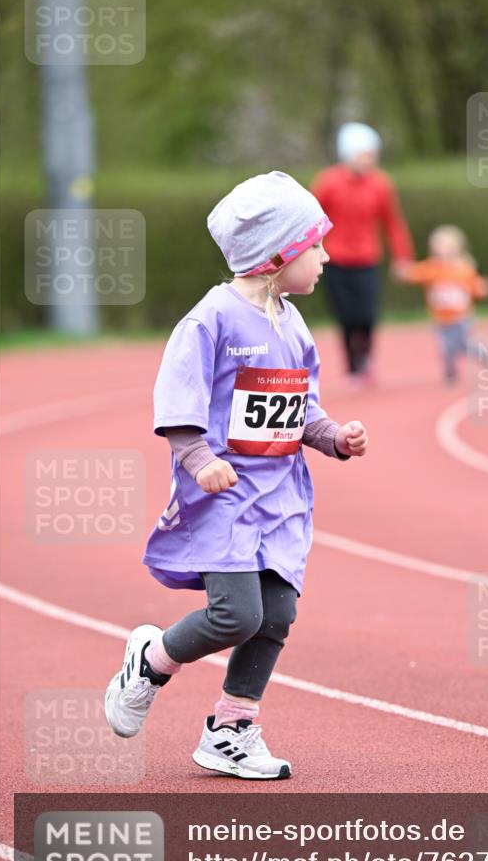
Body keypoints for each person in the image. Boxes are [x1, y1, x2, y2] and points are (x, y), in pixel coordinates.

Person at [104, 171, 369, 780]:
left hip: (282, 496)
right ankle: (150, 660)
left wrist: (334, 437)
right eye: (315, 246)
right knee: (236, 615)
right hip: (222, 496)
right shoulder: (209, 322)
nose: (327, 258)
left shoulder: (290, 322)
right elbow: (177, 408)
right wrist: (201, 461)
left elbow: (301, 408)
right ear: (275, 256)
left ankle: (231, 728)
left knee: (276, 616)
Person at [312, 122, 414, 385]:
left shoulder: (381, 184)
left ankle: (366, 356)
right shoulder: (328, 181)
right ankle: (353, 366)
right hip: (335, 259)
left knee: (367, 314)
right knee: (346, 315)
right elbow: (310, 220)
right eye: (364, 154)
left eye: (372, 154)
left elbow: (393, 223)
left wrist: (403, 258)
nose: (370, 160)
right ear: (349, 154)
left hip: (368, 258)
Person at [394, 225, 488, 384]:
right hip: (441, 319)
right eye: (439, 247)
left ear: (457, 249)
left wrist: (484, 288)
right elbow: (415, 273)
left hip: (461, 318)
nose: (442, 251)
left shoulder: (464, 269)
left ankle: (482, 352)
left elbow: (475, 286)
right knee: (445, 347)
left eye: (447, 247)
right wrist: (404, 273)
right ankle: (450, 372)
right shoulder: (431, 268)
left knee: (461, 345)